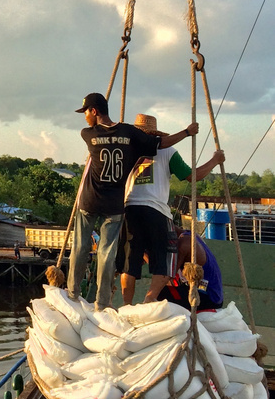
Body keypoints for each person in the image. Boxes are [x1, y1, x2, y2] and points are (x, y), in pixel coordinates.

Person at [67, 92, 197, 311]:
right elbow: (161, 143)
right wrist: (186, 132)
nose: (85, 117)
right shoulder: (131, 135)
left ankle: (72, 294)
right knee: (107, 253)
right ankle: (102, 302)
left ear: (94, 111)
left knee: (81, 247)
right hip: (114, 204)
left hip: (91, 200)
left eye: (86, 112)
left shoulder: (87, 134)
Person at [120, 112, 225, 305]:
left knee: (130, 264)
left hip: (129, 209)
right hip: (156, 210)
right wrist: (215, 161)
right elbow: (193, 176)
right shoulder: (167, 151)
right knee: (165, 260)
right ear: (155, 134)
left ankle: (126, 304)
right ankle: (150, 298)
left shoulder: (127, 151)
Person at [159, 227, 223, 310]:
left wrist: (145, 253)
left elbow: (166, 276)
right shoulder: (190, 236)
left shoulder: (185, 244)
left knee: (160, 292)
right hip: (212, 295)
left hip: (208, 297)